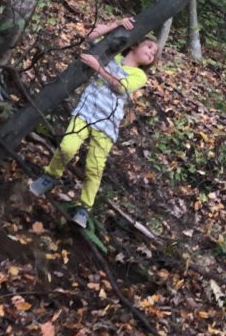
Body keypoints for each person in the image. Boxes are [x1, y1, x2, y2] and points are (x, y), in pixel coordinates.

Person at [29, 17, 157, 228]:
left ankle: (83, 208)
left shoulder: (140, 76)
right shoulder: (111, 55)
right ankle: (50, 176)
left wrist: (98, 68)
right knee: (67, 147)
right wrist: (115, 25)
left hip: (108, 124)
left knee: (94, 168)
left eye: (154, 54)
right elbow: (89, 37)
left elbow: (120, 87)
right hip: (86, 111)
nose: (152, 53)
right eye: (150, 46)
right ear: (135, 43)